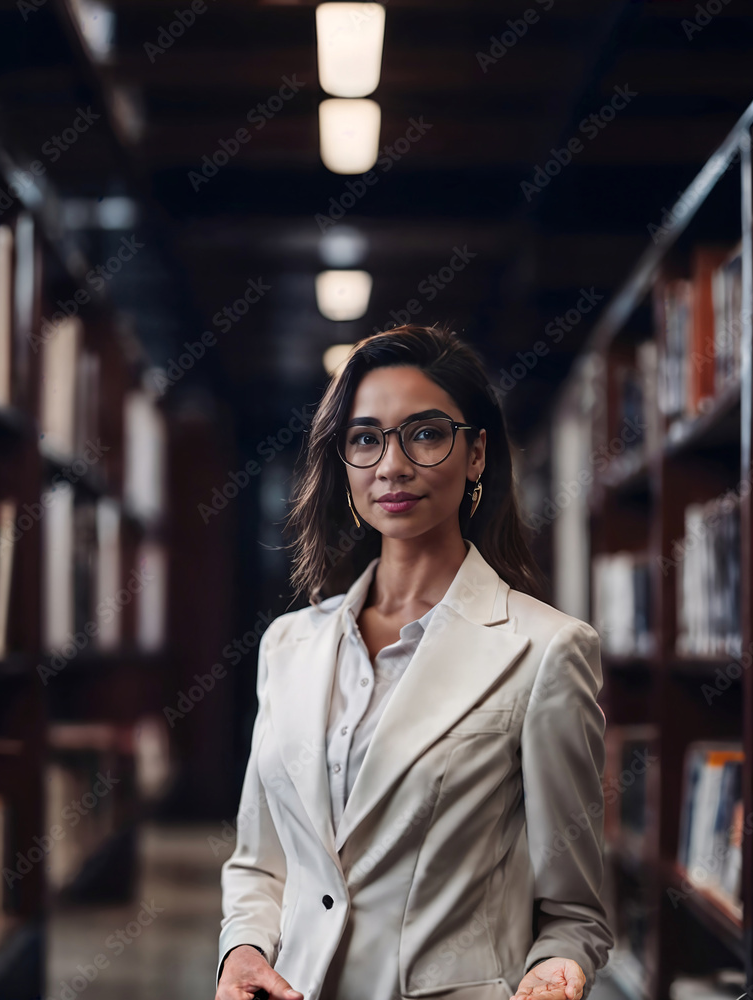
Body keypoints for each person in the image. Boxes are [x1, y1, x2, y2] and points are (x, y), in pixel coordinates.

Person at [215, 325, 612, 1000]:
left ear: (476, 452)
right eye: (366, 439)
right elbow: (260, 863)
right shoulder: (290, 644)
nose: (391, 466)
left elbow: (574, 912)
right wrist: (242, 949)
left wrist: (559, 966)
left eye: (424, 434)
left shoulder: (547, 650)